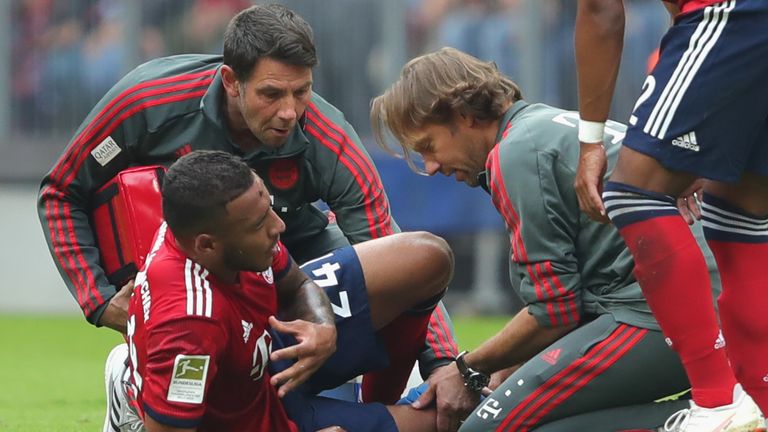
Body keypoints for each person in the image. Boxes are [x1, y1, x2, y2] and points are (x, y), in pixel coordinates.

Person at [37, 1, 458, 414]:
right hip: (187, 278)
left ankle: (361, 392)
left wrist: (442, 361)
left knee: (413, 261)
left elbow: (392, 247)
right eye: (271, 94)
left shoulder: (329, 140)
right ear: (231, 81)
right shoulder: (149, 101)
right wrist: (100, 299)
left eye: (302, 91)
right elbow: (61, 192)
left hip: (295, 265)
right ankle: (132, 380)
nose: (290, 112)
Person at [369, 47, 744, 432]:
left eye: (429, 147)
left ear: (463, 115)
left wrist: (465, 369)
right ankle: (721, 412)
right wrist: (505, 370)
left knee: (485, 429)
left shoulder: (515, 154)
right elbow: (574, 299)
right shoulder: (538, 127)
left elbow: (555, 311)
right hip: (709, 301)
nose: (431, 168)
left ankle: (723, 421)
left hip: (666, 310)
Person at [122, 150, 450, 431]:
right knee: (455, 420)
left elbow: (295, 286)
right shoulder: (189, 327)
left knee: (427, 257)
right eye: (258, 224)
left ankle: (377, 402)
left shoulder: (217, 225)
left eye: (268, 208)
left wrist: (322, 324)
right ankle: (138, 396)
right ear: (207, 245)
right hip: (263, 419)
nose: (278, 226)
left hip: (270, 343)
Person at [573, 0, 768, 430]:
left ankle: (719, 404)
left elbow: (600, 9)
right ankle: (760, 404)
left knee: (633, 193)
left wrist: (590, 143)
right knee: (741, 218)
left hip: (738, 15)